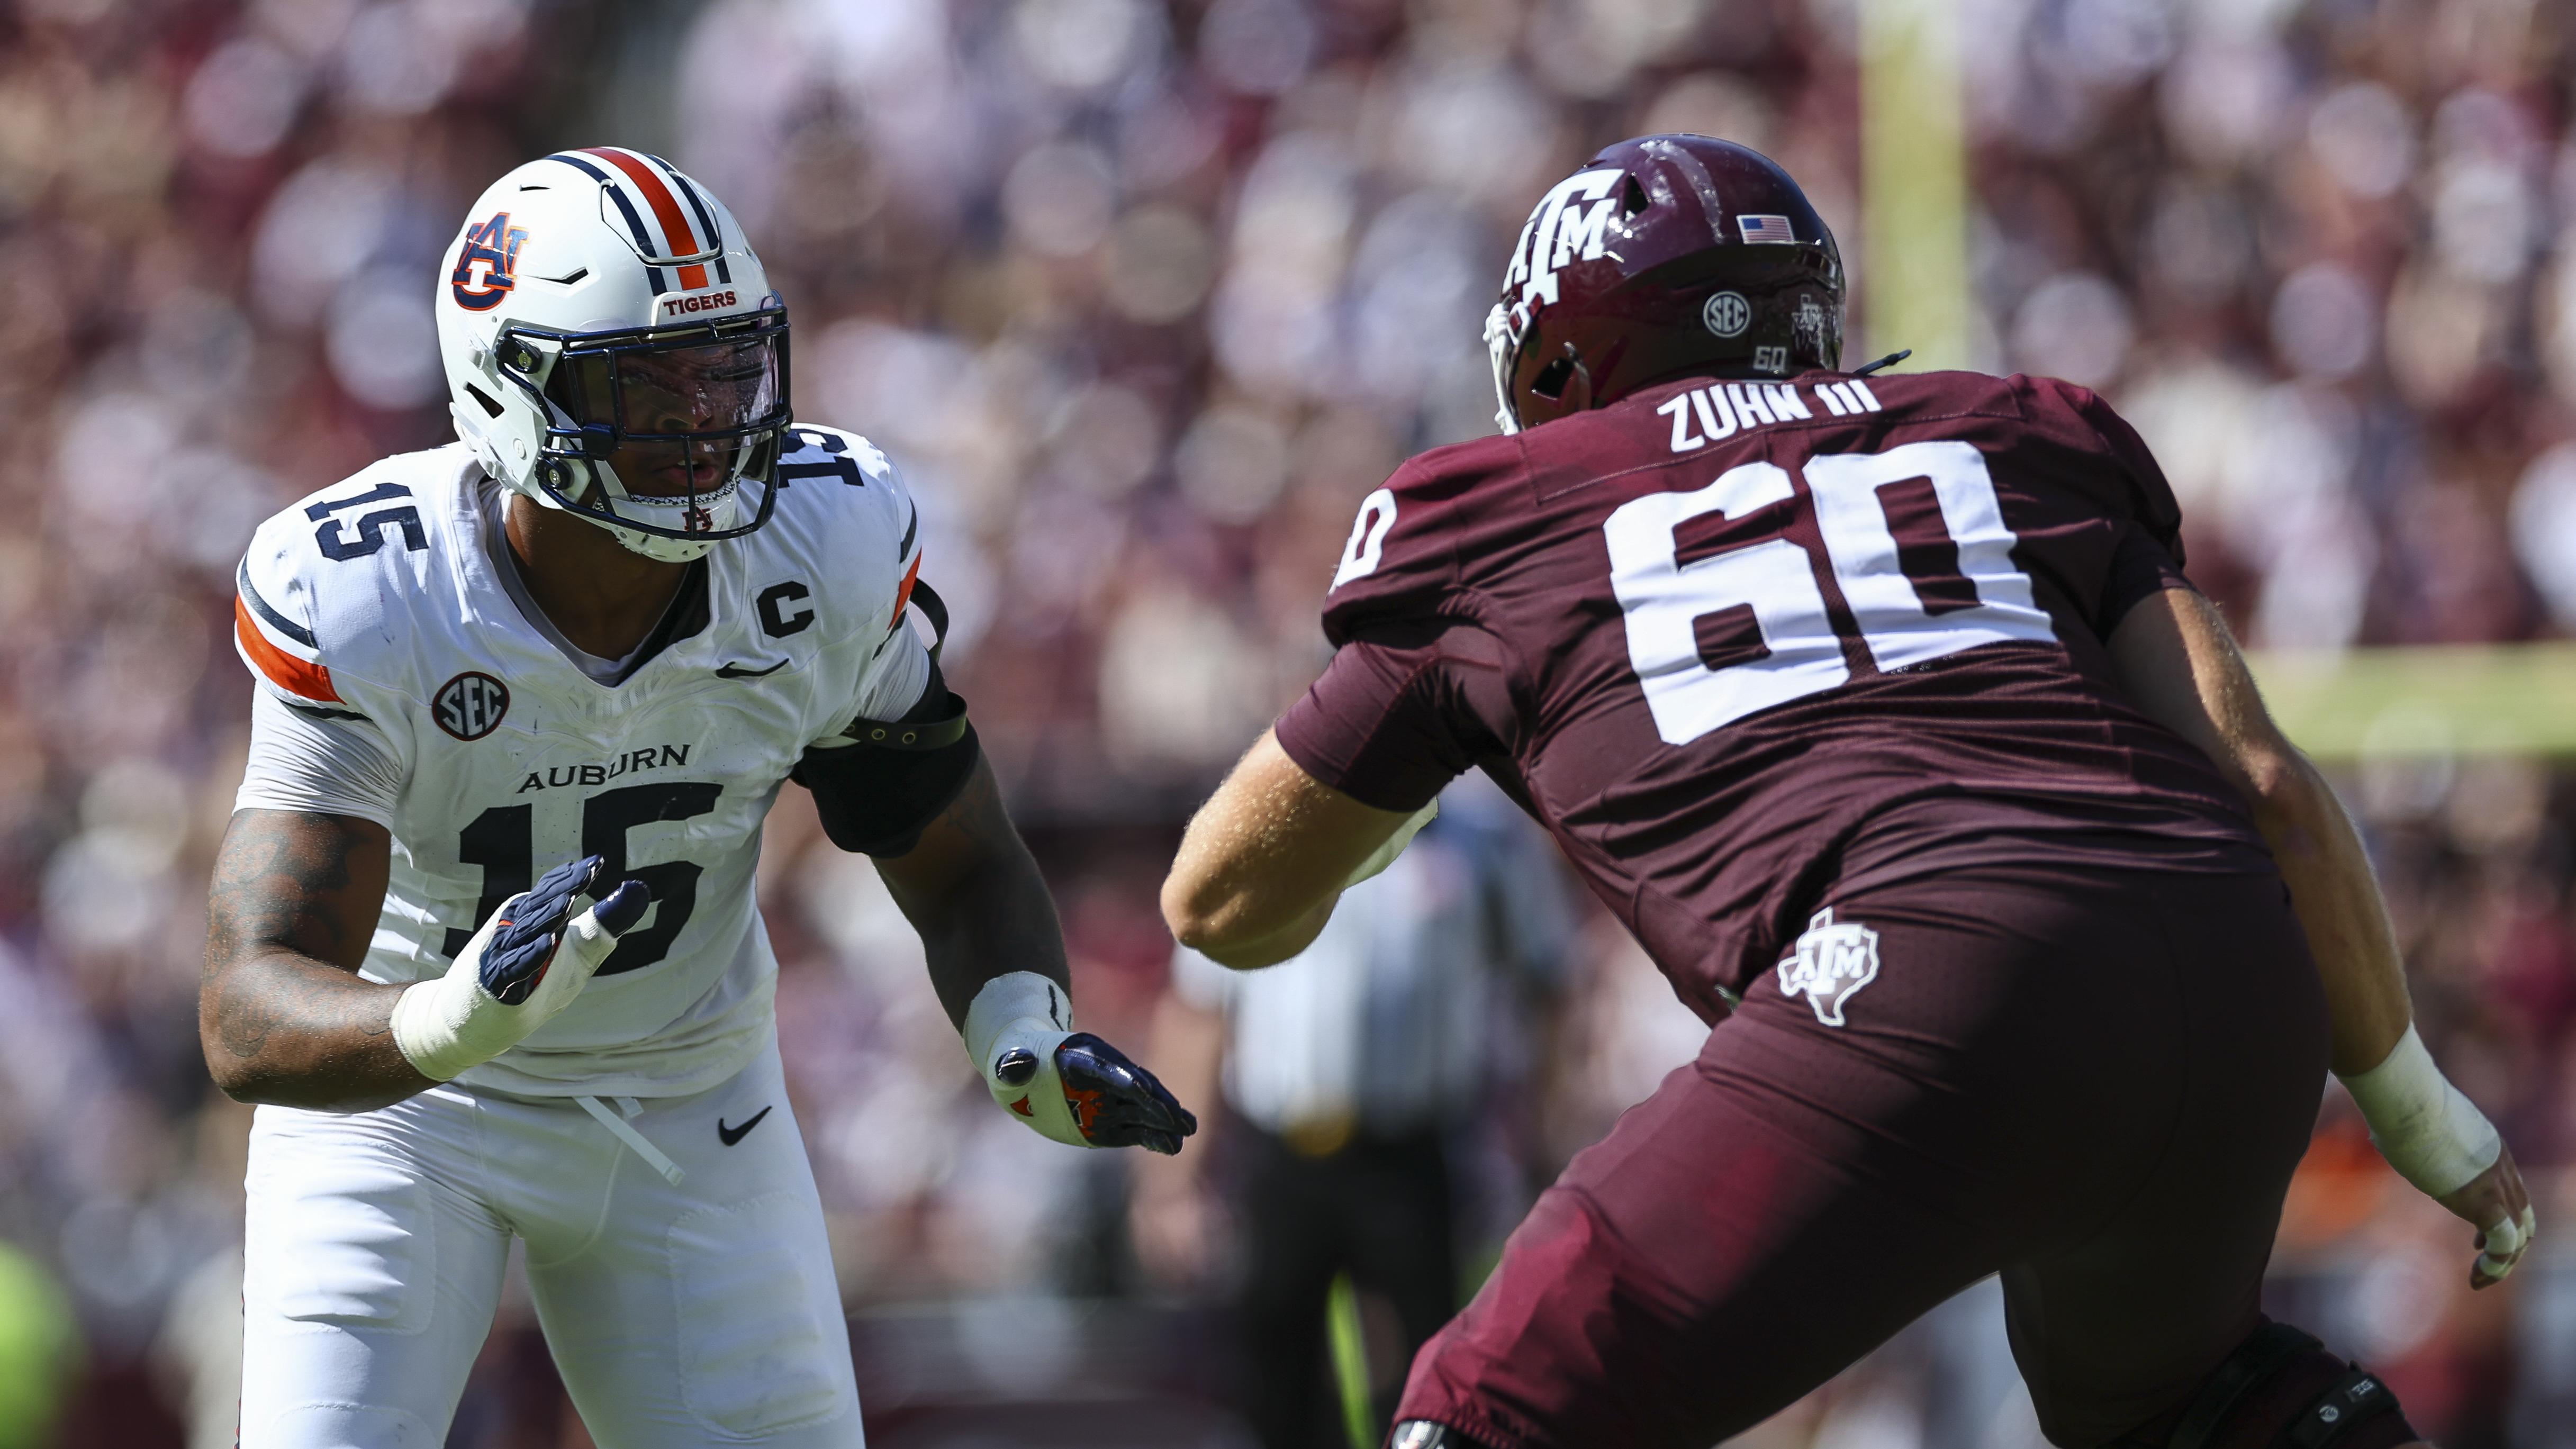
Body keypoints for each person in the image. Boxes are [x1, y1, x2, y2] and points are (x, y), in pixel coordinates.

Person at [1158, 133, 2532, 1449]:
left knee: (1484, 1407)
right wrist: (2418, 1107)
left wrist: (1415, 766)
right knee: (2193, 1408)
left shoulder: (1500, 518)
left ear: (1561, 355)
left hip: (1921, 967)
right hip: (2231, 961)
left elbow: (1218, 902)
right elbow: (2268, 784)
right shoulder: (2013, 431)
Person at [199, 147, 1194, 1449]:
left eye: (725, 370)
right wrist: (449, 1020)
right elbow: (248, 1005)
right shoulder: (375, 591)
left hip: (688, 1098)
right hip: (408, 1117)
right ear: (508, 390)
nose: (706, 421)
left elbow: (953, 851)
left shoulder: (821, 547)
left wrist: (1020, 1034)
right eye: (649, 383)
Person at [1136, 786, 1571, 1448]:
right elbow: (1201, 1005)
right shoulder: (1261, 830)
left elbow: (1547, 981)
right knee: (1275, 1373)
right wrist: (1171, 1180)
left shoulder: (1483, 840)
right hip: (1284, 1155)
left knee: (1428, 1376)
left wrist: (1540, 1139)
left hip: (1409, 1154)